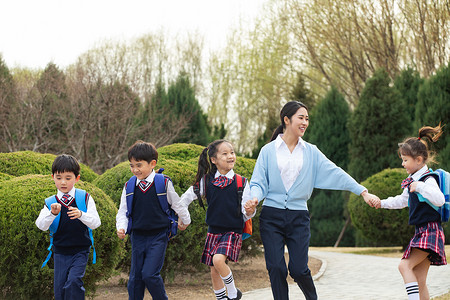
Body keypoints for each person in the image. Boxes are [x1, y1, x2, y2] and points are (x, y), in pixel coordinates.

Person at [245, 101, 378, 300]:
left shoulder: (311, 151)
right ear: (286, 120)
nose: (305, 122)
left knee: (298, 269)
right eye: (301, 118)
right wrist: (254, 198)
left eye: (307, 119)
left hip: (298, 217)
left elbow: (335, 172)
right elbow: (258, 181)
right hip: (271, 216)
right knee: (276, 267)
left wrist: (362, 191)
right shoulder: (268, 151)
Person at [370, 125, 446, 300]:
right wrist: (381, 203)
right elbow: (402, 200)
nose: (402, 164)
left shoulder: (427, 179)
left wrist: (420, 187)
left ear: (419, 160)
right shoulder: (414, 180)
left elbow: (439, 199)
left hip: (430, 231)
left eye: (405, 160)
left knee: (404, 266)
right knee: (419, 280)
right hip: (423, 230)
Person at [116, 140, 191, 300]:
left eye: (139, 165)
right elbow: (123, 211)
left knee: (149, 274)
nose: (135, 169)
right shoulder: (129, 186)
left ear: (152, 164)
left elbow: (176, 204)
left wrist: (185, 220)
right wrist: (121, 227)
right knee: (135, 279)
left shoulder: (162, 183)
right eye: (131, 165)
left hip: (159, 236)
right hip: (137, 236)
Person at [180, 139, 254, 300]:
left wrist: (250, 210)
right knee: (214, 269)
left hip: (232, 231)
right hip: (213, 231)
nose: (230, 156)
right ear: (213, 160)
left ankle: (234, 293)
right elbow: (185, 199)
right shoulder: (206, 181)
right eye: (225, 153)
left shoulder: (241, 182)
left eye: (232, 152)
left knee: (218, 260)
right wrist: (182, 216)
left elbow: (246, 212)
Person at [36, 154, 101, 300]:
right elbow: (41, 225)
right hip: (60, 252)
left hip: (80, 251)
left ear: (77, 178)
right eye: (58, 178)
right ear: (52, 177)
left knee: (73, 282)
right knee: (60, 292)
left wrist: (81, 214)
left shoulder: (84, 197)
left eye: (68, 178)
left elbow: (96, 223)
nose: (63, 182)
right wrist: (52, 214)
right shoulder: (50, 202)